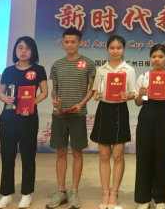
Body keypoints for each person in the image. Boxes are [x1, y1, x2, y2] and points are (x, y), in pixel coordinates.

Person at [0, 37, 48, 209]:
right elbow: (1, 93)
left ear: (33, 51)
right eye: (20, 47)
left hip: (28, 118)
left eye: (27, 48)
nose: (23, 51)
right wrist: (5, 98)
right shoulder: (8, 70)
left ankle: (26, 193)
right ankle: (6, 194)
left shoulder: (38, 70)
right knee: (7, 156)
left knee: (28, 156)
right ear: (15, 51)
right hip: (8, 118)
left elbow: (44, 92)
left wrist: (31, 104)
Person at [47, 27, 96, 209]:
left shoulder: (88, 63)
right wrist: (55, 99)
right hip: (59, 115)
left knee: (77, 153)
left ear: (79, 43)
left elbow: (92, 88)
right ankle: (61, 191)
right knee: (60, 152)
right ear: (62, 43)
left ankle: (74, 191)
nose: (69, 45)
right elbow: (54, 90)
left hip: (78, 115)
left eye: (73, 42)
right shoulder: (57, 64)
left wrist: (81, 104)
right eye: (66, 42)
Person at [91, 35, 136, 209]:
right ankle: (105, 192)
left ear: (123, 49)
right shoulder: (101, 70)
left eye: (119, 48)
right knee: (104, 156)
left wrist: (128, 96)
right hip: (104, 111)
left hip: (120, 111)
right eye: (112, 48)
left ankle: (114, 193)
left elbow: (133, 93)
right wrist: (96, 95)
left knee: (118, 156)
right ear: (107, 49)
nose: (115, 51)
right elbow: (96, 91)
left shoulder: (129, 70)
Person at [134, 44, 165, 209]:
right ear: (150, 58)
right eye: (154, 56)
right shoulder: (144, 76)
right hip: (146, 117)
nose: (157, 59)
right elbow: (138, 102)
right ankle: (144, 198)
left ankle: (160, 198)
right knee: (144, 157)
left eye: (160, 56)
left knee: (162, 157)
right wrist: (141, 95)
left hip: (163, 117)